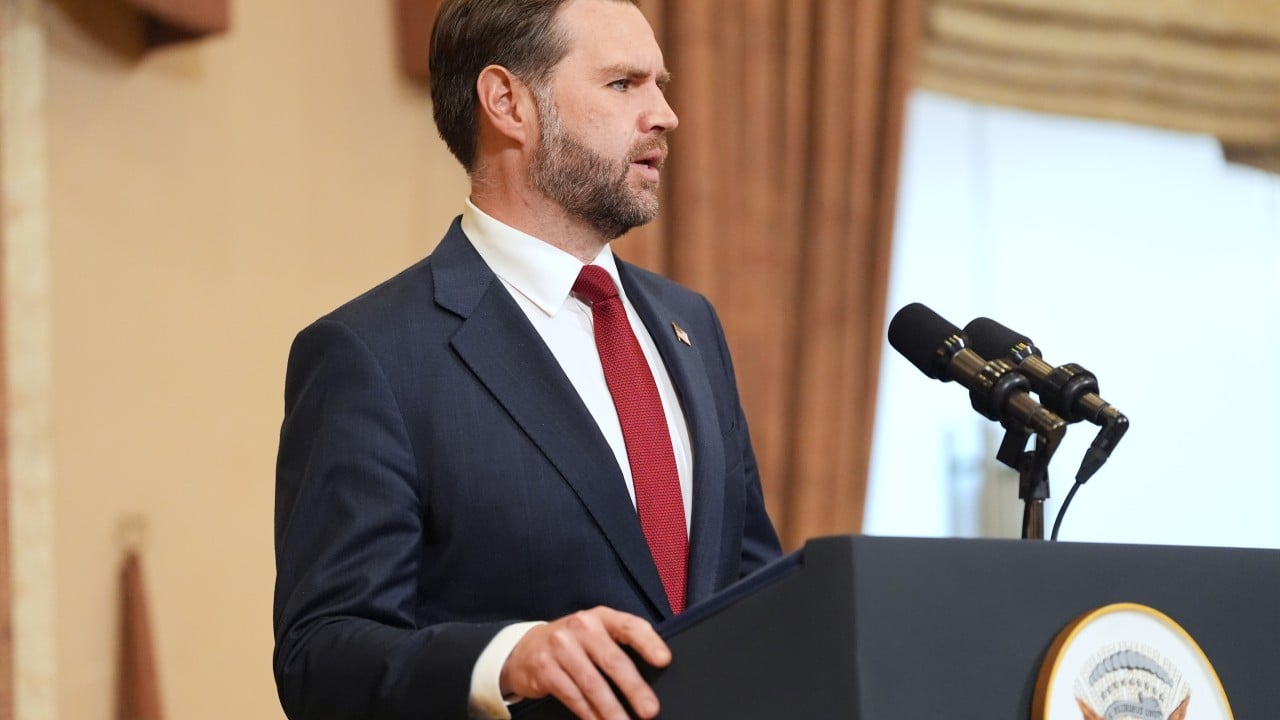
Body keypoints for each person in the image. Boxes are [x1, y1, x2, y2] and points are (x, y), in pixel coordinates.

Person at [272, 1, 782, 718]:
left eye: (660, 84)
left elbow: (748, 585)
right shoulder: (373, 355)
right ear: (509, 103)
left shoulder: (688, 322)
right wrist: (507, 658)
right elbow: (319, 657)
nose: (665, 114)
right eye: (624, 84)